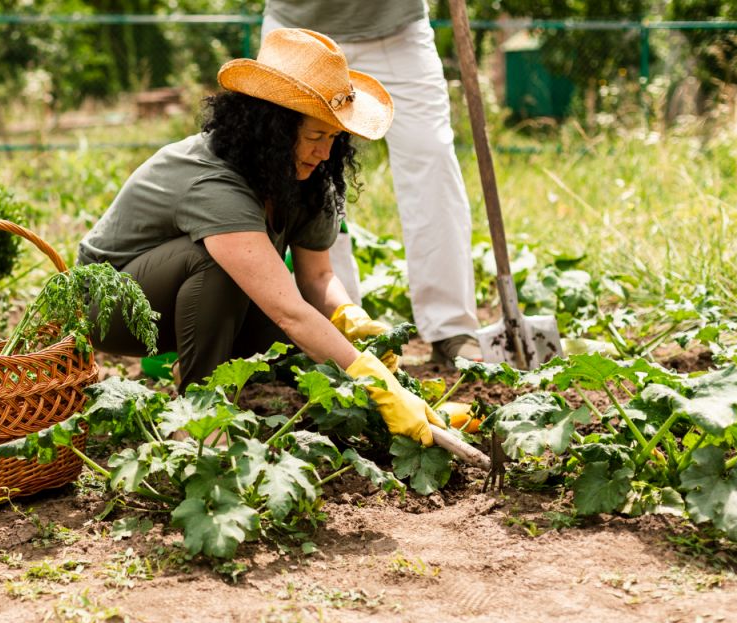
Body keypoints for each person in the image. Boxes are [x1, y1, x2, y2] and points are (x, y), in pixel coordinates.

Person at [77, 28, 442, 445]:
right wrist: (375, 385)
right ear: (273, 129)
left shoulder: (305, 176)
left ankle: (197, 365)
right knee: (229, 271)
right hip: (110, 309)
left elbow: (317, 279)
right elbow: (289, 309)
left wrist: (348, 317)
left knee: (302, 326)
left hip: (177, 300)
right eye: (314, 136)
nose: (325, 152)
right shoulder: (214, 182)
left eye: (334, 137)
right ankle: (200, 419)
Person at [263, 0, 484, 365]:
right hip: (299, 29)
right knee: (302, 165)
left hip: (397, 27)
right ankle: (336, 329)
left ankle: (450, 327)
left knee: (432, 156)